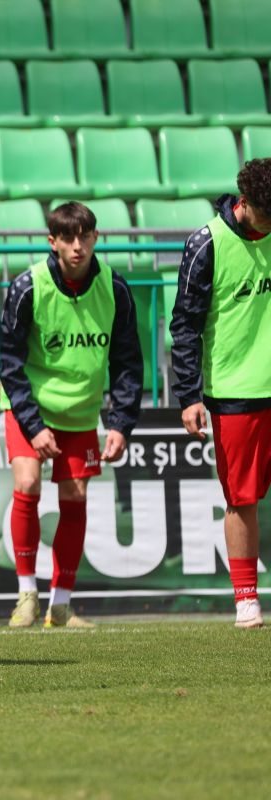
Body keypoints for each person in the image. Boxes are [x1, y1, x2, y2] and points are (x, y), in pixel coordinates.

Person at [0, 202, 143, 628]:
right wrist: (33, 425)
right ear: (53, 242)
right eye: (67, 237)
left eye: (85, 236)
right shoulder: (28, 286)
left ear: (96, 238)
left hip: (81, 412)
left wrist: (120, 423)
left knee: (76, 497)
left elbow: (128, 361)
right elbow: (9, 361)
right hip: (30, 407)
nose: (77, 246)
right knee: (27, 482)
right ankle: (27, 594)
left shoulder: (115, 288)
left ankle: (60, 605)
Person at [171, 159, 271, 630]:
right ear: (244, 202)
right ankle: (246, 600)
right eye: (267, 216)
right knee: (241, 499)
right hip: (235, 392)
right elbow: (185, 325)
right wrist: (188, 395)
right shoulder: (205, 244)